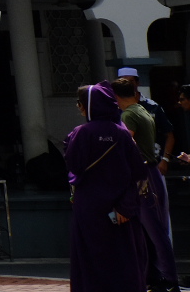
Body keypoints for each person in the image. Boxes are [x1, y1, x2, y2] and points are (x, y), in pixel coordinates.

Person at [67, 84, 149, 292]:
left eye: (80, 105)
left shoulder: (81, 133)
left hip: (90, 210)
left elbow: (74, 166)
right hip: (121, 212)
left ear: (88, 107)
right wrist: (125, 206)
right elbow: (139, 173)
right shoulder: (122, 135)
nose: (79, 109)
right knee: (124, 263)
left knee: (91, 265)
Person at [113, 76, 177, 292]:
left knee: (154, 231)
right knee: (152, 232)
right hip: (150, 174)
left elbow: (124, 143)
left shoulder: (130, 114)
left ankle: (168, 278)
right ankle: (157, 276)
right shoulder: (141, 110)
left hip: (143, 177)